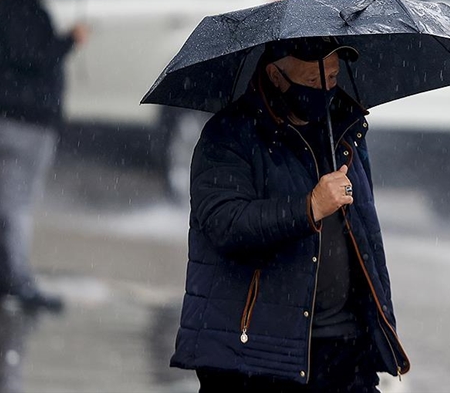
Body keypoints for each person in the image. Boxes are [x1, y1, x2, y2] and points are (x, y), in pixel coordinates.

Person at [170, 37, 411, 391]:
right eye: (313, 82)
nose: (326, 90)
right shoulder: (229, 135)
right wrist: (308, 207)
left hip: (345, 349)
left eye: (331, 77)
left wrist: (377, 327)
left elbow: (366, 239)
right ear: (276, 75)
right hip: (257, 357)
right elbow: (225, 224)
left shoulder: (346, 132)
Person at [0, 0, 88, 312]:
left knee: (2, 203)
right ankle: (19, 281)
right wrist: (69, 41)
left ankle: (3, 279)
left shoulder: (6, 5)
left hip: (1, 118)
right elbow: (32, 57)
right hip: (25, 123)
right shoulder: (24, 9)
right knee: (17, 205)